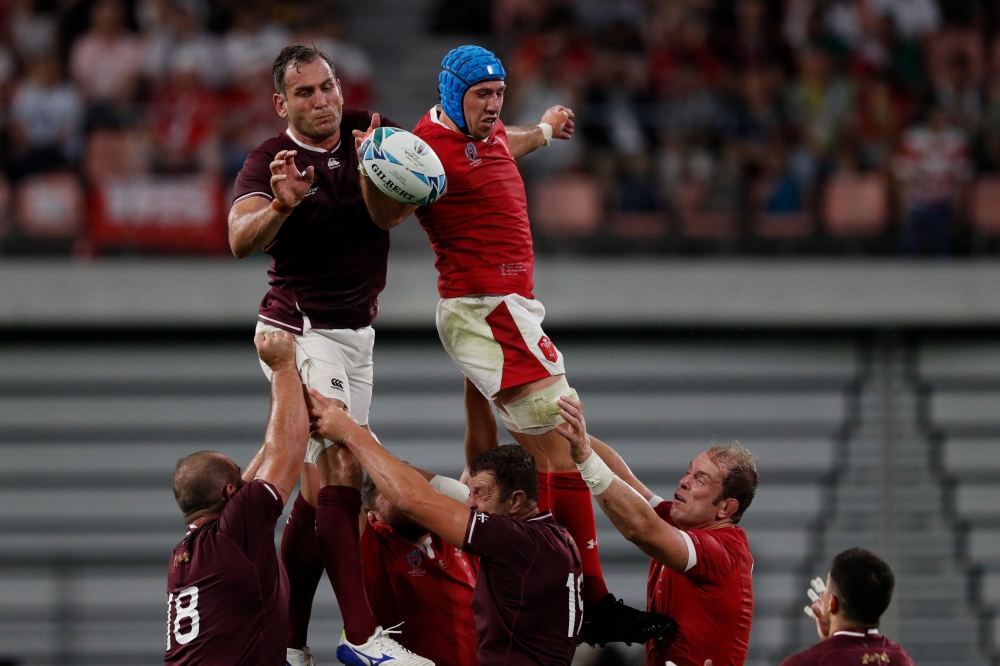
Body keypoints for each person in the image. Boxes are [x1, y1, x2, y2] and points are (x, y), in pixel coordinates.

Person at [353, 43, 670, 646]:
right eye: (482, 96)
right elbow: (387, 217)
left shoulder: (481, 133)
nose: (494, 107)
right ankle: (594, 599)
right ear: (452, 94)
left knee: (558, 436)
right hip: (487, 309)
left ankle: (645, 514)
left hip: (505, 309)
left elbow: (502, 147)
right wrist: (373, 163)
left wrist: (545, 130)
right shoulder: (427, 151)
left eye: (498, 94)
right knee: (562, 447)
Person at [228, 45, 419, 666]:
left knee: (315, 502)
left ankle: (287, 644)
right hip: (297, 328)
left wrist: (373, 168)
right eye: (305, 92)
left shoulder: (372, 133)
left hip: (357, 334)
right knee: (342, 466)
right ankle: (364, 639)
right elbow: (237, 240)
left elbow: (391, 215)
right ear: (282, 103)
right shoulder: (268, 161)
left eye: (328, 86)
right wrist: (282, 205)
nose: (323, 101)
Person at [308, 389, 584, 666]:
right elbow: (337, 492)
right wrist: (476, 383)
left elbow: (412, 497)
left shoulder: (502, 541)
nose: (469, 503)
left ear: (515, 501)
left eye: (479, 494)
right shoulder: (550, 536)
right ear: (373, 517)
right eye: (386, 492)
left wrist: (353, 434)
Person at [554, 397, 756, 666]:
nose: (684, 482)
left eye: (700, 479)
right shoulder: (681, 523)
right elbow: (625, 479)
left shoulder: (724, 553)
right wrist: (571, 430)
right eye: (688, 472)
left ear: (726, 508)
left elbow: (641, 528)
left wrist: (586, 459)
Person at [165, 330, 307, 664]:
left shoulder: (184, 555)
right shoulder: (232, 537)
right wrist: (285, 368)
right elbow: (285, 449)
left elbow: (255, 473)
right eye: (239, 479)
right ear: (230, 494)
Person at [782, 548, 914, 666]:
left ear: (832, 603)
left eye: (827, 590)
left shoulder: (805, 663)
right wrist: (834, 640)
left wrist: (831, 643)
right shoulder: (902, 659)